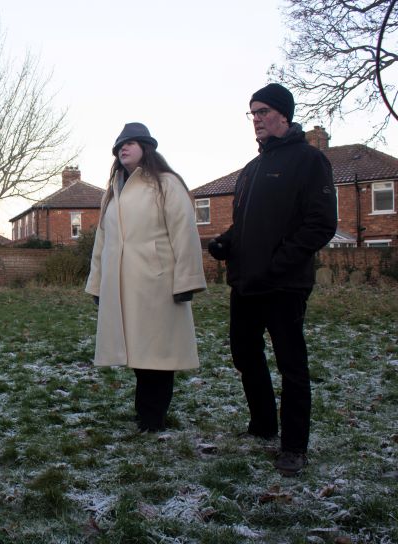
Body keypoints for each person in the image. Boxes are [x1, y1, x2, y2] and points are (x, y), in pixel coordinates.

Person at [208, 83, 336, 476]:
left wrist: (279, 262)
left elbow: (321, 224)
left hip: (284, 285)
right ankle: (263, 425)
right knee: (245, 357)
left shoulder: (309, 161)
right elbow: (245, 226)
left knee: (291, 366)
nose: (257, 120)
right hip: (246, 283)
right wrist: (225, 243)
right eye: (253, 113)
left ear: (284, 114)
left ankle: (294, 446)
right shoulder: (252, 169)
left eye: (263, 112)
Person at [85, 122, 206, 433]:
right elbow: (102, 242)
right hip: (122, 285)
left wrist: (187, 281)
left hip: (158, 282)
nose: (123, 149)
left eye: (130, 143)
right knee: (138, 354)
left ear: (146, 147)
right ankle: (145, 413)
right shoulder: (112, 192)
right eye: (119, 146)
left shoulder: (166, 184)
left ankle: (153, 417)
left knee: (158, 355)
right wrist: (97, 284)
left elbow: (184, 233)